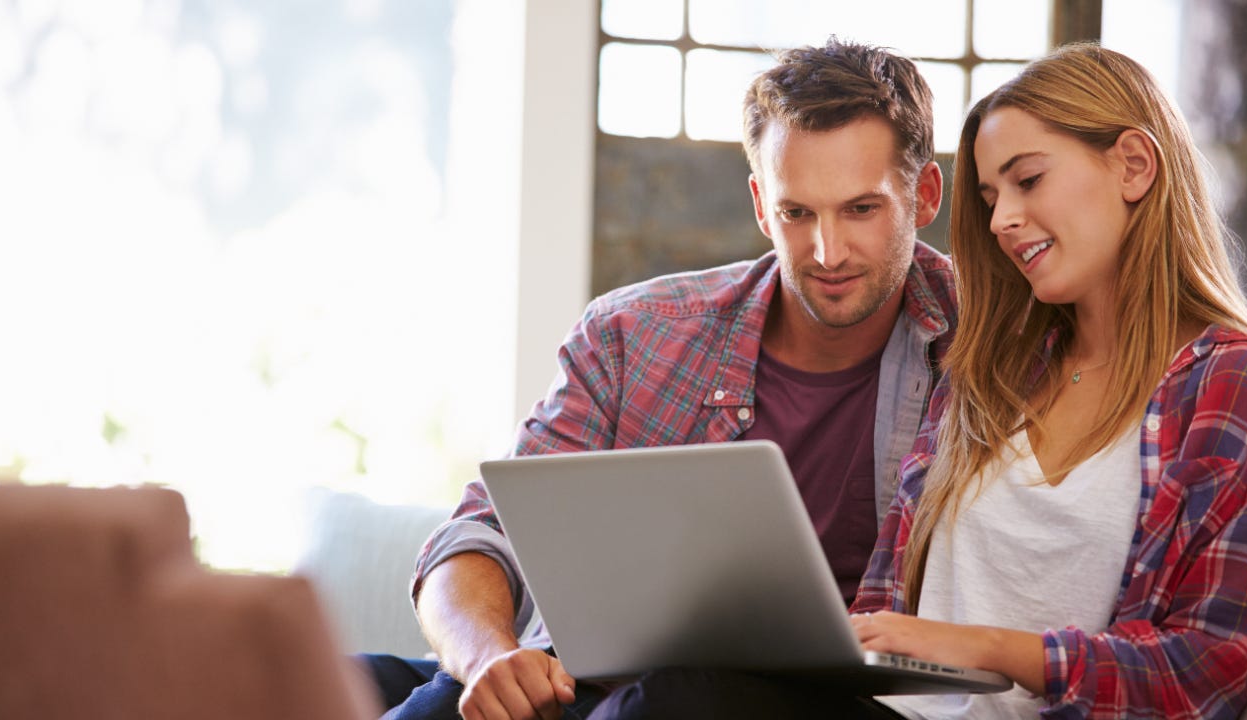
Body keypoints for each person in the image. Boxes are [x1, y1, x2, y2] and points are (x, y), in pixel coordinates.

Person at [590, 42, 1247, 720]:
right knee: (658, 690)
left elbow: (1202, 672)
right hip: (886, 713)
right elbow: (887, 607)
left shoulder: (1234, 384)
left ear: (1133, 165)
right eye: (990, 195)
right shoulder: (990, 363)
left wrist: (981, 648)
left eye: (1027, 180)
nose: (1002, 218)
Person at [360, 38, 952, 720]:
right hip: (587, 678)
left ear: (924, 194)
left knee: (675, 697)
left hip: (794, 703)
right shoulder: (632, 334)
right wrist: (488, 658)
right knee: (367, 685)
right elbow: (481, 534)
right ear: (762, 206)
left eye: (861, 209)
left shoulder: (986, 347)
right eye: (797, 213)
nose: (827, 251)